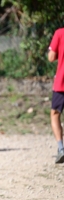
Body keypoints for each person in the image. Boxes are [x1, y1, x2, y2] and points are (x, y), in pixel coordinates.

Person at [48, 27, 64, 164]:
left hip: (62, 82)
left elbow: (51, 57)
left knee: (55, 114)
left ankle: (61, 148)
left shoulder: (60, 33)